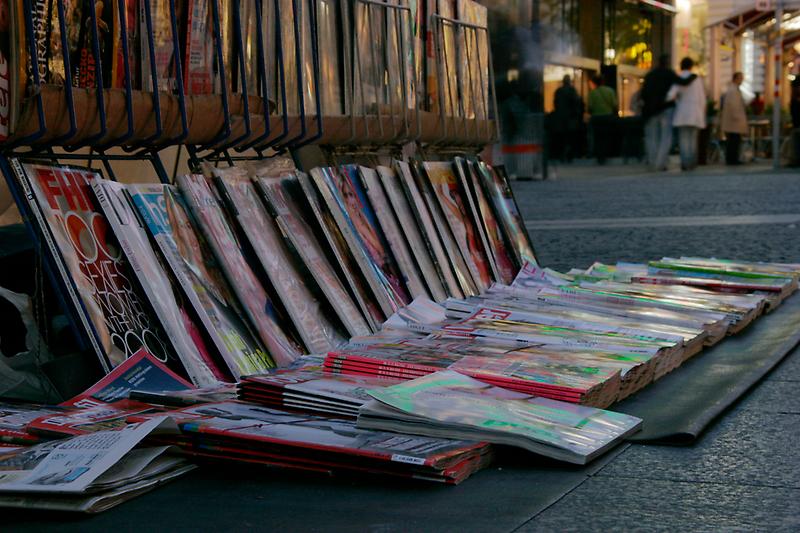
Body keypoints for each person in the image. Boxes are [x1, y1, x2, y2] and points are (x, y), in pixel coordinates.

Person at [640, 54, 697, 171]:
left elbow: (643, 93)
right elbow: (683, 82)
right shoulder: (669, 73)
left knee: (651, 138)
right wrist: (694, 77)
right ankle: (660, 164)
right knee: (666, 138)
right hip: (666, 108)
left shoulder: (650, 75)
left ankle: (652, 161)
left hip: (650, 111)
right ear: (667, 63)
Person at [668, 57, 706, 171]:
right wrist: (702, 112)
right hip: (695, 113)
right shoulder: (697, 79)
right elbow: (702, 98)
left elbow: (671, 95)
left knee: (683, 140)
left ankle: (685, 163)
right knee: (693, 139)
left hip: (682, 113)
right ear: (691, 66)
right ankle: (692, 162)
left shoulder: (678, 78)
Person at [552, 75, 583, 162]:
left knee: (561, 139)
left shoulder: (558, 91)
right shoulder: (572, 91)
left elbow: (555, 104)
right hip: (570, 120)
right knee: (570, 138)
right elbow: (576, 104)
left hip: (560, 119)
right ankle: (569, 156)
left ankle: (562, 155)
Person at [587, 75, 617, 164]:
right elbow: (614, 105)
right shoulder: (610, 91)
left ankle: (600, 156)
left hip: (597, 118)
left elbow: (590, 108)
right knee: (607, 136)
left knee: (598, 137)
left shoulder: (592, 93)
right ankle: (606, 154)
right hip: (608, 117)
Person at [720, 72, 748, 165]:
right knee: (733, 141)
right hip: (734, 121)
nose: (742, 80)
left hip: (733, 121)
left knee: (734, 141)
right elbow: (733, 105)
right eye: (740, 78)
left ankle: (732, 158)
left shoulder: (734, 89)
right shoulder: (733, 90)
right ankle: (732, 159)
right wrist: (737, 117)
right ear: (735, 79)